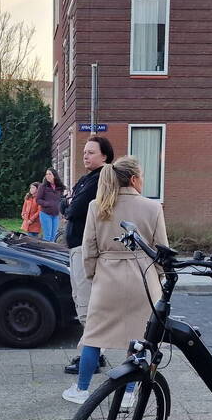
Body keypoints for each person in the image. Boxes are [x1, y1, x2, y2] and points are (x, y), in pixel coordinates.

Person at [62, 156, 168, 403]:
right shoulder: (152, 208)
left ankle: (82, 389)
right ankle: (129, 394)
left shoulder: (97, 206)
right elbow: (161, 250)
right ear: (134, 179)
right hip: (143, 279)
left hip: (107, 277)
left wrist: (93, 275)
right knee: (140, 338)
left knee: (93, 336)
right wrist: (158, 277)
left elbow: (89, 248)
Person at [62, 135, 115, 376]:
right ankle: (94, 353)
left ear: (104, 156)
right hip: (76, 247)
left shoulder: (101, 179)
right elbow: (65, 204)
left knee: (86, 304)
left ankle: (90, 356)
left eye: (91, 152)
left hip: (85, 248)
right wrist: (68, 203)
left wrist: (69, 203)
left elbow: (73, 209)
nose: (85, 155)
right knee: (80, 299)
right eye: (84, 152)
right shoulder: (86, 179)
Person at [35, 168, 64, 242]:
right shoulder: (43, 186)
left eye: (49, 174)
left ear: (54, 175)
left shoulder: (59, 187)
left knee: (53, 236)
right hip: (45, 214)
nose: (47, 176)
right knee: (47, 236)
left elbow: (61, 198)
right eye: (46, 174)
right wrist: (47, 204)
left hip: (56, 215)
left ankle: (51, 249)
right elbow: (38, 200)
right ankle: (45, 249)